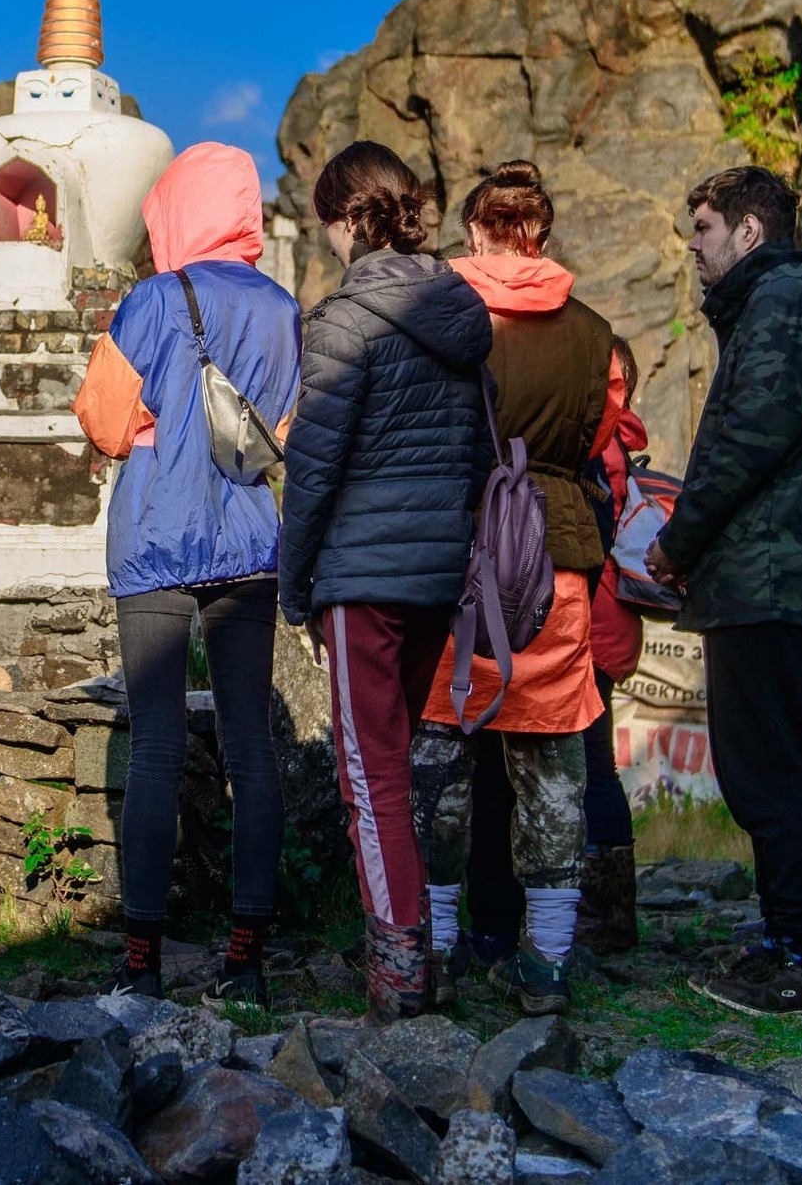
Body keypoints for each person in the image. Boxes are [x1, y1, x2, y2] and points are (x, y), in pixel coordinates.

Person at [644, 164, 802, 1019]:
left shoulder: (783, 303)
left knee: (782, 772)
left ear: (749, 231)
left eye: (703, 230)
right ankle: (790, 938)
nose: (694, 250)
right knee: (773, 769)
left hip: (778, 580)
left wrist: (678, 540)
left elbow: (747, 439)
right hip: (786, 579)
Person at [74, 143, 301, 1004]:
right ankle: (246, 954)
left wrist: (145, 434)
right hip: (250, 544)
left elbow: (102, 418)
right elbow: (280, 425)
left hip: (157, 544)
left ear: (173, 209)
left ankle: (141, 960)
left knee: (157, 747)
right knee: (251, 745)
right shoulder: (284, 310)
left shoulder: (154, 301)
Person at [279, 140, 495, 1023]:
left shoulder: (340, 323)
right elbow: (480, 449)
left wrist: (295, 585)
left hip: (362, 576)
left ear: (341, 219)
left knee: (370, 776)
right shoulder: (462, 316)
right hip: (438, 572)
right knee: (397, 763)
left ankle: (400, 973)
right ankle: (417, 950)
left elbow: (312, 473)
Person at [407, 162, 621, 1016]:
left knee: (439, 751)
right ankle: (548, 961)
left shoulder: (437, 319)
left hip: (452, 551)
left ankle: (438, 946)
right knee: (553, 758)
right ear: (541, 233)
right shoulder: (595, 334)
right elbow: (596, 434)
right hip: (554, 550)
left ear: (475, 234)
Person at [577, 337, 649, 953]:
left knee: (594, 766)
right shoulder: (622, 436)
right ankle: (606, 910)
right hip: (609, 621)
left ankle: (604, 914)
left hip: (591, 624)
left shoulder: (600, 440)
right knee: (594, 764)